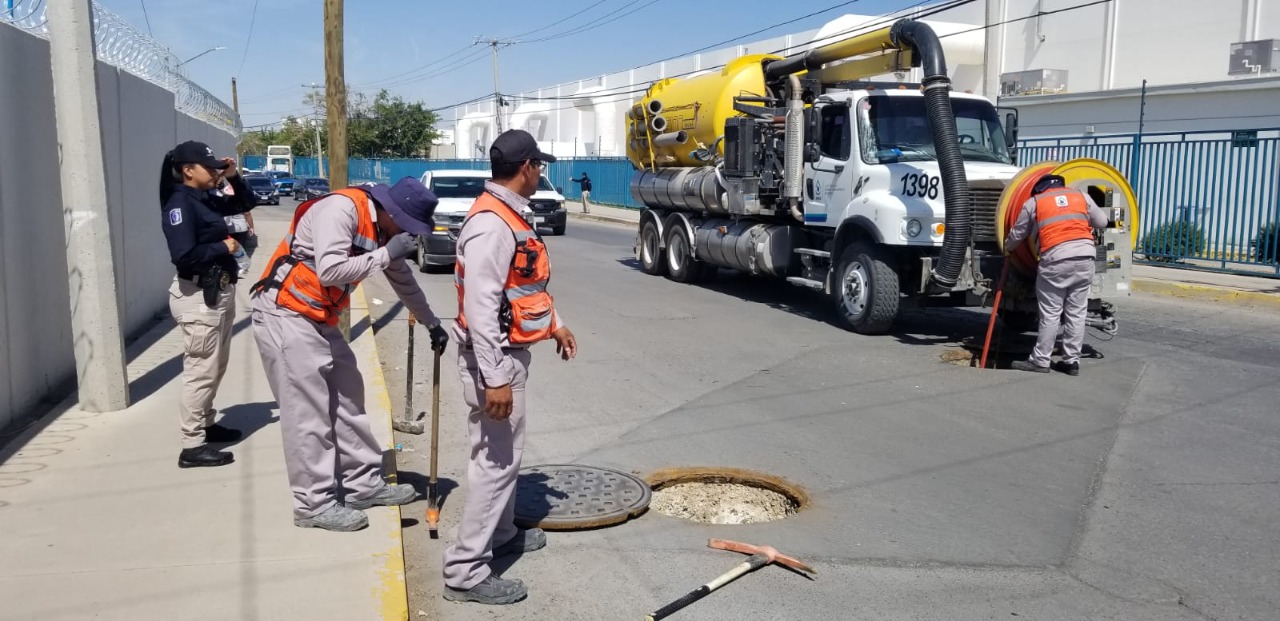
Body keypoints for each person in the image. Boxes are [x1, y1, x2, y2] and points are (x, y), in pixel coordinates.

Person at [249, 176, 450, 532]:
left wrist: (432, 322)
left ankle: (362, 485)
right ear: (392, 212)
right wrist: (387, 253)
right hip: (286, 313)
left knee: (349, 399)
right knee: (307, 413)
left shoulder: (381, 232)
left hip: (319, 317)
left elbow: (402, 279)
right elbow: (330, 272)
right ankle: (313, 505)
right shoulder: (341, 210)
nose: (408, 234)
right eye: (407, 226)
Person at [443, 129, 578, 605]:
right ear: (527, 168)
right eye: (539, 165)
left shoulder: (508, 215)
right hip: (492, 360)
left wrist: (555, 324)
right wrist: (494, 376)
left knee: (505, 459)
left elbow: (522, 286)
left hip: (505, 355)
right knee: (495, 465)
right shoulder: (491, 225)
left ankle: (498, 537)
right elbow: (481, 308)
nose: (541, 172)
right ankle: (464, 571)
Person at [159, 140, 256, 468]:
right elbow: (183, 255)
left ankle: (206, 423)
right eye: (209, 166)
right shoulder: (180, 205)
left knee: (215, 365)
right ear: (188, 170)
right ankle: (191, 445)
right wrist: (223, 248)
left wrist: (233, 175)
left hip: (218, 293)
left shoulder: (204, 199)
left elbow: (246, 202)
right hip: (198, 297)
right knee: (201, 370)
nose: (215, 171)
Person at [1004, 174, 1109, 376]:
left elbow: (1018, 234)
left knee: (1051, 313)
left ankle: (1041, 360)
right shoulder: (1081, 196)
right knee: (1077, 313)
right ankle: (1071, 362)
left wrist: (1008, 248)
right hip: (1085, 258)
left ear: (1040, 189)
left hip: (1056, 261)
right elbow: (1103, 222)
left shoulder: (1034, 202)